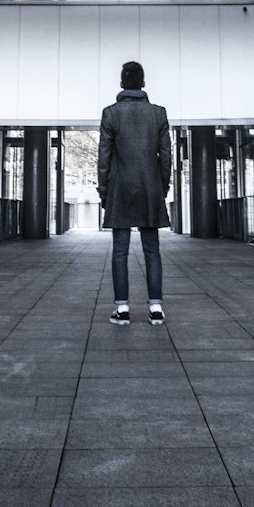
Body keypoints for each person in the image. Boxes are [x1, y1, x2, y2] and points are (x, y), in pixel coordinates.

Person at [97, 60, 171, 326]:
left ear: (121, 83)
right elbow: (166, 157)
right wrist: (161, 187)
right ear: (143, 83)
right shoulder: (159, 114)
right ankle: (155, 308)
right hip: (150, 187)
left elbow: (104, 158)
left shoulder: (110, 113)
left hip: (120, 189)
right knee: (153, 250)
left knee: (120, 251)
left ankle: (123, 309)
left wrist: (104, 190)